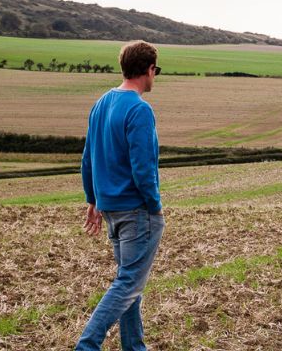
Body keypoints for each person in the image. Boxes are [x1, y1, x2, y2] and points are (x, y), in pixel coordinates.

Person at [76, 41, 164, 351]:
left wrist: (92, 199)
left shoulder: (101, 103)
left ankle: (134, 347)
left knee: (130, 284)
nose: (156, 77)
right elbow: (144, 168)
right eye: (157, 71)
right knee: (127, 283)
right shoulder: (139, 109)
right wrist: (154, 206)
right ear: (149, 70)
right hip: (136, 211)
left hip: (111, 209)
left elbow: (88, 158)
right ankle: (87, 345)